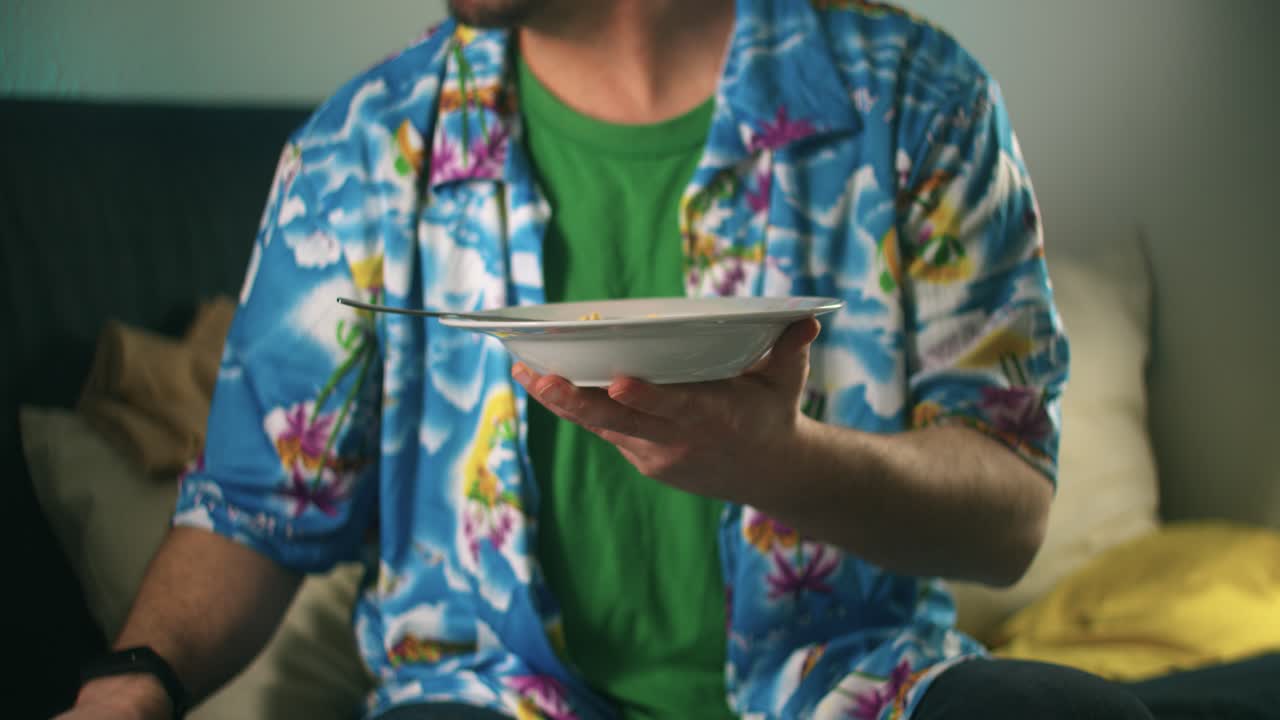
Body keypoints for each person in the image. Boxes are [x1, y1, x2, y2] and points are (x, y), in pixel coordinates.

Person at [61, 1, 1165, 718]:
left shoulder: (919, 99)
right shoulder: (361, 148)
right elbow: (256, 508)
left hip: (857, 685)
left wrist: (782, 464)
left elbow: (1009, 514)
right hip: (480, 697)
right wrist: (137, 678)